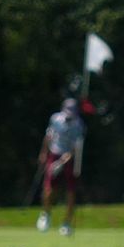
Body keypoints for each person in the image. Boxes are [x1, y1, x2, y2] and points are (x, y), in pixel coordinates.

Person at [36, 95, 89, 234]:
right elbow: (49, 137)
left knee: (71, 191)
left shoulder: (79, 125)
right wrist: (43, 153)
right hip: (54, 153)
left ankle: (66, 224)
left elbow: (75, 148)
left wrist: (62, 162)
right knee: (48, 188)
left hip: (69, 158)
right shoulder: (55, 119)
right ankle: (45, 215)